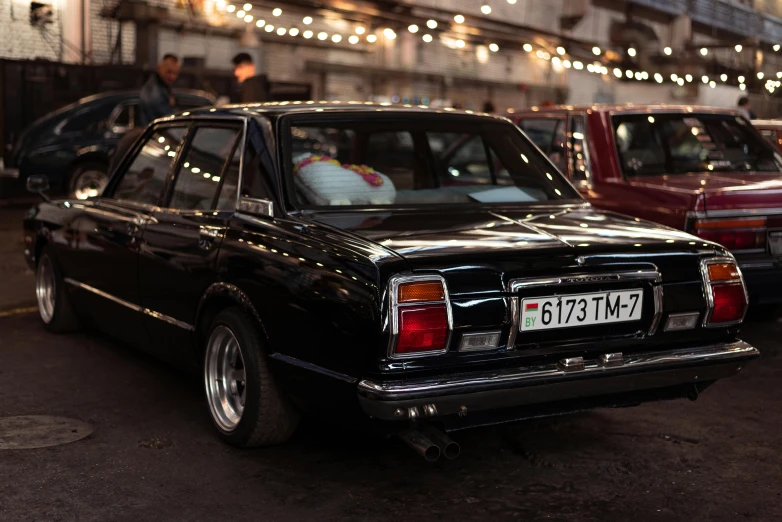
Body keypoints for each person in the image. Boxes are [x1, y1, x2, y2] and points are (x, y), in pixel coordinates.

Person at [109, 54, 180, 175]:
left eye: (175, 73)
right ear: (159, 68)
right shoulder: (155, 92)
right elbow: (170, 119)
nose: (172, 77)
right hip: (152, 142)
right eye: (168, 72)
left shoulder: (160, 88)